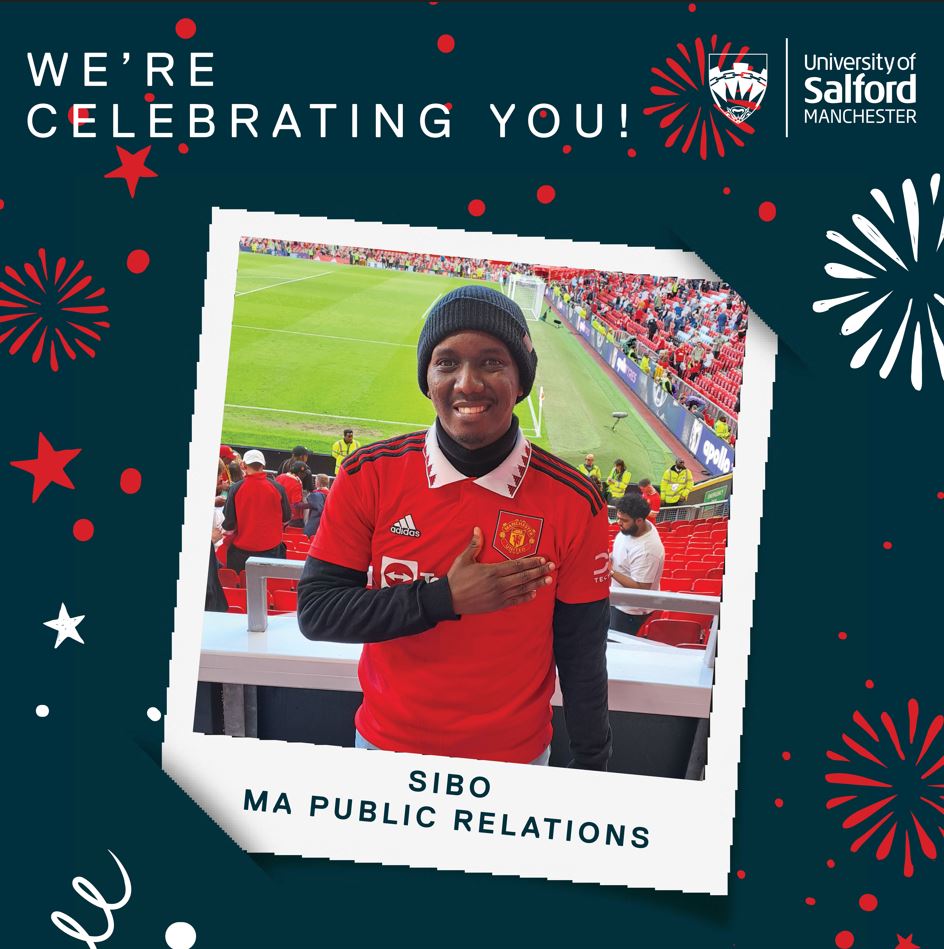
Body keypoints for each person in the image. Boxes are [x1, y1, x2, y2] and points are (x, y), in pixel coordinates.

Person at [297, 285, 612, 769]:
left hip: (516, 761)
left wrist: (594, 762)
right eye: (446, 363)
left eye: (491, 362)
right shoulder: (368, 474)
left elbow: (582, 653)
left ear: (521, 381)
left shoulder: (575, 500)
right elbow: (317, 613)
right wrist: (445, 598)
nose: (467, 383)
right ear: (427, 379)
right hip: (383, 749)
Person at [221, 449, 291, 573]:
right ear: (263, 465)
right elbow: (286, 518)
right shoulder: (277, 488)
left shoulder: (236, 489)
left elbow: (228, 524)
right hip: (271, 550)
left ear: (243, 465)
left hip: (241, 552)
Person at [608, 494, 665, 636]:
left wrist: (611, 571)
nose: (618, 523)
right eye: (618, 518)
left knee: (617, 645)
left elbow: (642, 587)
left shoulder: (647, 550)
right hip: (619, 600)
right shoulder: (635, 528)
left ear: (639, 521)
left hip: (629, 610)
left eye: (623, 520)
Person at [276, 461, 308, 528]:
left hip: (278, 513)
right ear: (299, 473)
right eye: (304, 473)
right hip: (292, 518)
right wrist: (310, 505)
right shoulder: (296, 483)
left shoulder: (279, 477)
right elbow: (296, 504)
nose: (305, 475)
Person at [301, 473, 331, 538]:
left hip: (314, 523)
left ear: (318, 482)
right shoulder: (331, 494)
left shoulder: (314, 495)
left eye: (315, 480)